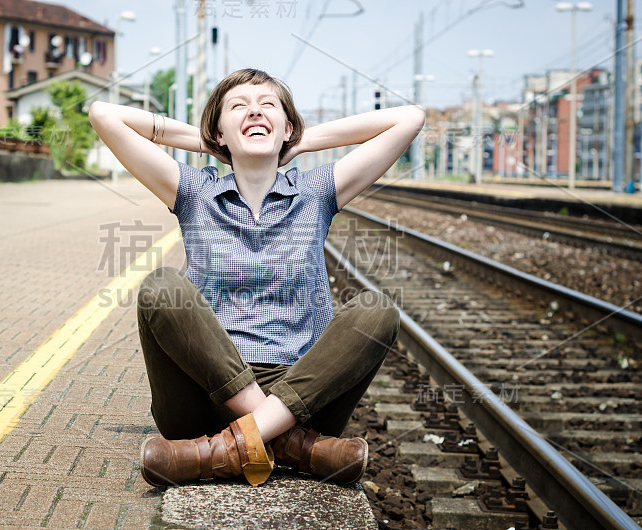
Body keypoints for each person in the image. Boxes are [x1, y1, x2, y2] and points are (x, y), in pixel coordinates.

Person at [89, 68, 424, 488]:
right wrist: (213, 144)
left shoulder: (316, 191)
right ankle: (292, 445)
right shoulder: (194, 191)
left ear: (288, 128)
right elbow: (104, 114)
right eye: (238, 108)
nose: (254, 112)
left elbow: (410, 118)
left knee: (377, 311)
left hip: (301, 393)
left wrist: (298, 141)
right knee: (162, 287)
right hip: (204, 396)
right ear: (217, 131)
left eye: (268, 106)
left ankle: (224, 450)